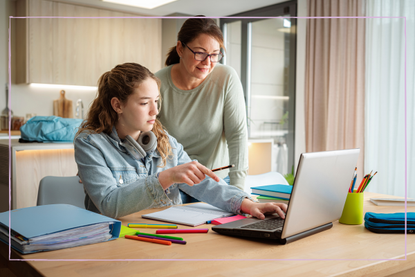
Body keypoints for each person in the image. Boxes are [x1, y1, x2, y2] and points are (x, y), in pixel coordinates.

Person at [74, 62, 286, 219]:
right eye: (144, 103)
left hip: (167, 235)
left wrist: (247, 204)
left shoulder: (164, 139)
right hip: (117, 244)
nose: (155, 111)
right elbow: (109, 204)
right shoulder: (90, 144)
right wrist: (166, 177)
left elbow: (202, 184)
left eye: (156, 101)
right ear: (117, 105)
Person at [155, 18, 248, 194]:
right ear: (180, 48)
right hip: (175, 186)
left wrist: (238, 191)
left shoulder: (226, 77)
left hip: (218, 182)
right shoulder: (157, 83)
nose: (208, 62)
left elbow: (237, 134)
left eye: (214, 54)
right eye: (200, 53)